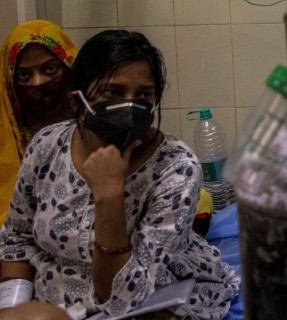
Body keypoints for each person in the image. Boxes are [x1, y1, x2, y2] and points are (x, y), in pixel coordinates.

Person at [0, 30, 239, 319]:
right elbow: (17, 240)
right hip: (51, 295)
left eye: (143, 95)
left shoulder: (176, 167)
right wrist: (13, 307)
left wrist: (109, 196)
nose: (130, 105)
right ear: (77, 101)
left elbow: (120, 297)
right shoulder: (46, 146)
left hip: (146, 300)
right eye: (113, 93)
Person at [0, 21, 78, 224]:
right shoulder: (5, 132)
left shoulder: (92, 123)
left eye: (50, 69)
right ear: (10, 81)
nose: (37, 82)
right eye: (24, 75)